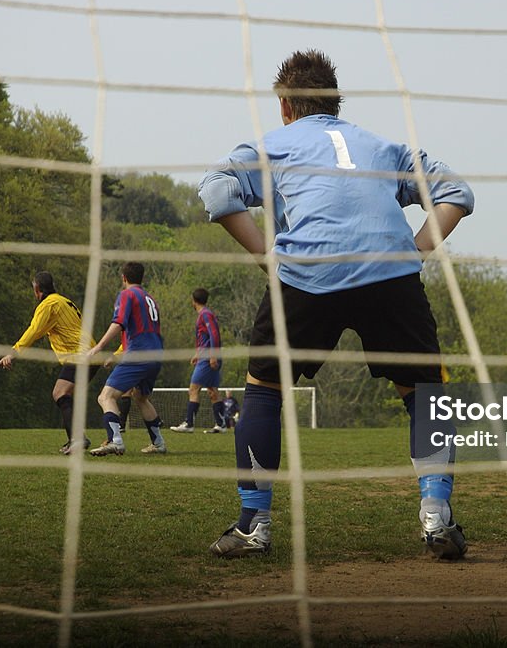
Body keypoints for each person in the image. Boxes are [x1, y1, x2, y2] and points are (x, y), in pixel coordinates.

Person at [198, 49, 474, 559]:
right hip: (391, 274)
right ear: (337, 104)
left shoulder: (273, 144)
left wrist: (267, 258)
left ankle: (253, 525)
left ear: (285, 106)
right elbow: (456, 191)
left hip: (307, 272)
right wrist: (416, 250)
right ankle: (437, 519)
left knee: (263, 389)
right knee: (425, 392)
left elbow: (216, 193)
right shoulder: (383, 146)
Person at [0, 271, 97, 454]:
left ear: (37, 289)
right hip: (91, 354)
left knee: (60, 393)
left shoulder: (48, 304)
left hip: (79, 355)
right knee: (64, 395)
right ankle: (74, 438)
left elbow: (33, 331)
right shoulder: (64, 301)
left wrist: (14, 352)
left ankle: (78, 439)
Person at [86, 262, 166, 457]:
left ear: (124, 278)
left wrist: (99, 347)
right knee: (140, 397)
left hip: (139, 354)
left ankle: (115, 441)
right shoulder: (150, 298)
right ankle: (158, 443)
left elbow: (119, 323)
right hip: (157, 354)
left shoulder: (126, 295)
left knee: (105, 397)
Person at [170, 289, 222, 433]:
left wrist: (212, 355)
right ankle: (221, 424)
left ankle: (189, 423)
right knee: (212, 391)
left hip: (208, 357)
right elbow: (205, 338)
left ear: (193, 300)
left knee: (193, 389)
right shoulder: (205, 314)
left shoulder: (205, 314)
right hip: (205, 355)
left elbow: (214, 335)